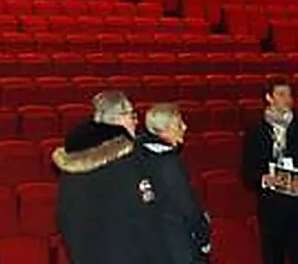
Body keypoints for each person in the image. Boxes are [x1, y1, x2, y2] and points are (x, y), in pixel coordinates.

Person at [53, 90, 170, 264]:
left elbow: (66, 219)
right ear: (118, 119)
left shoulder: (72, 165)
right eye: (131, 115)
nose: (135, 122)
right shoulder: (128, 162)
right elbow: (145, 219)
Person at [242, 78, 298, 264]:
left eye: (290, 95)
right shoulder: (255, 132)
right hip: (271, 209)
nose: (288, 99)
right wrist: (263, 179)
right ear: (269, 98)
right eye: (282, 94)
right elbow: (247, 172)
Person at [139, 104, 213, 264]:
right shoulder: (167, 164)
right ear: (164, 131)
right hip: (178, 246)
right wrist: (203, 236)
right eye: (179, 125)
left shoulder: (139, 155)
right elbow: (186, 206)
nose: (185, 127)